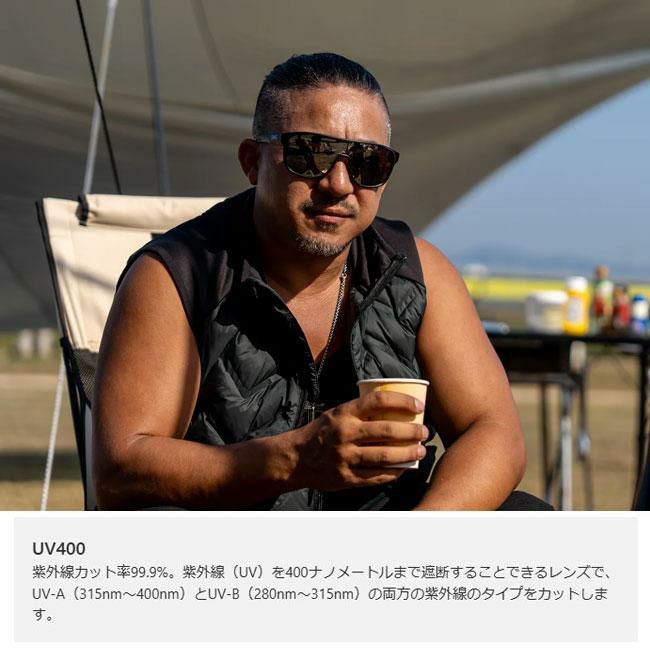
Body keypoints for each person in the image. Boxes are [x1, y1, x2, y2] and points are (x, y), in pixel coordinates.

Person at [93, 52, 549, 511]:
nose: (339, 183)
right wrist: (294, 459)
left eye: (368, 162)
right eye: (310, 153)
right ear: (252, 161)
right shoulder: (179, 275)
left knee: (525, 516)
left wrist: (420, 536)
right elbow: (121, 466)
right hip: (230, 546)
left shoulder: (416, 271)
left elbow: (494, 430)